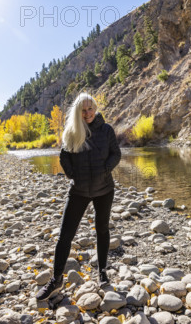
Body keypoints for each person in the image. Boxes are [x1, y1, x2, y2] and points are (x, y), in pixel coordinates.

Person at [36, 93, 122, 301]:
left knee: (102, 230)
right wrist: (72, 173)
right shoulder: (73, 131)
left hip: (104, 189)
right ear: (78, 112)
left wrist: (105, 169)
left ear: (95, 108)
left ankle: (102, 272)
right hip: (79, 191)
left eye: (90, 108)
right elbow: (64, 155)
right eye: (83, 110)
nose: (88, 113)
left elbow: (116, 154)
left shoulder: (107, 130)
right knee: (65, 236)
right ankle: (56, 279)